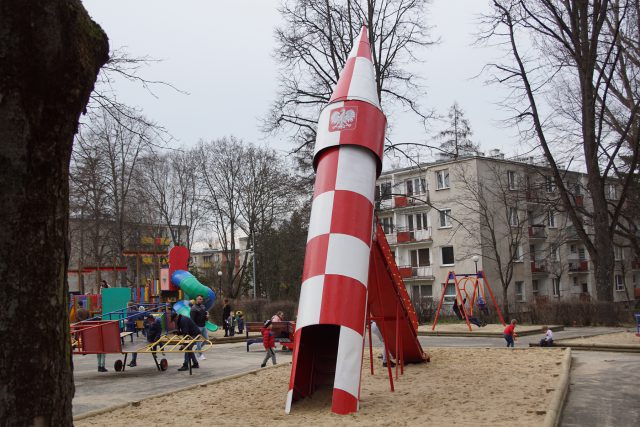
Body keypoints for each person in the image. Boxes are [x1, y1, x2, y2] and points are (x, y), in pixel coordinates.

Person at [190, 295, 209, 360]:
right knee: (198, 340)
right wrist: (194, 328)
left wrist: (207, 317)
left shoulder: (203, 307)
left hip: (203, 326)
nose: (200, 300)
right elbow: (192, 319)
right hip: (197, 327)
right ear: (196, 300)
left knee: (206, 340)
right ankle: (200, 355)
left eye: (201, 299)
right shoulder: (193, 308)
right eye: (199, 299)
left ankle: (197, 349)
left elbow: (205, 317)